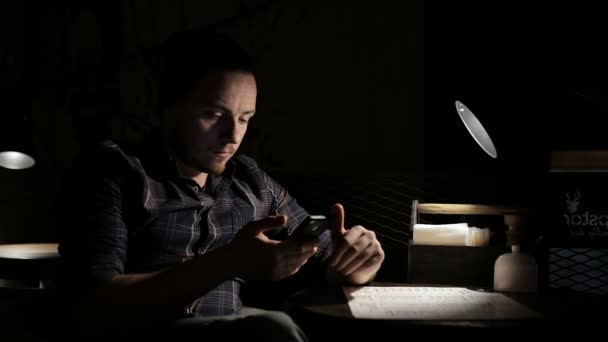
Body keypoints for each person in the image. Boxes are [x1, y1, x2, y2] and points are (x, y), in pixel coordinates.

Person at [57, 28, 384, 341]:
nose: (233, 136)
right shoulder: (115, 171)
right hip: (145, 335)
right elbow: (93, 307)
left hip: (235, 332)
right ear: (170, 108)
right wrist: (231, 261)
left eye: (245, 118)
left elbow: (333, 259)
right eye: (213, 114)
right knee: (270, 328)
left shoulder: (249, 181)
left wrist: (359, 261)